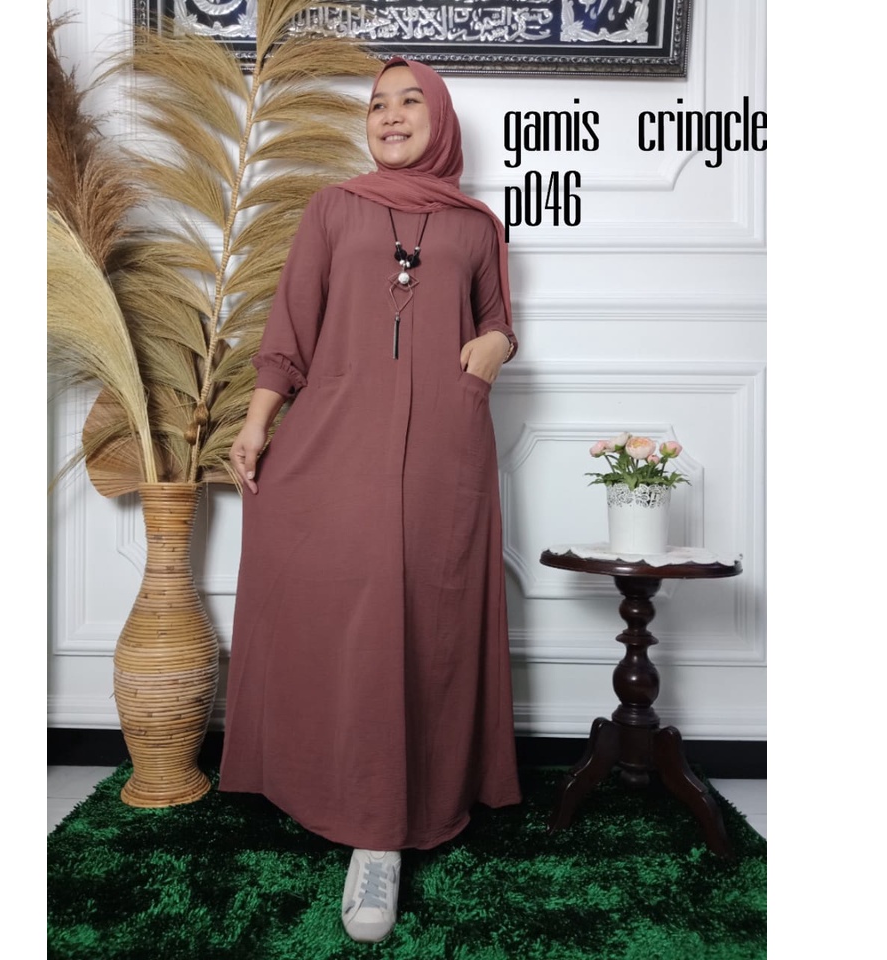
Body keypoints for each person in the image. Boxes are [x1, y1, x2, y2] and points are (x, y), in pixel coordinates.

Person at [220, 56, 522, 943]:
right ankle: (346, 804)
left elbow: (498, 318)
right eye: (378, 104)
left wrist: (494, 349)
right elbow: (290, 327)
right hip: (338, 439)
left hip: (442, 447)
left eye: (409, 102)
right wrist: (256, 424)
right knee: (343, 614)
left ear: (441, 118)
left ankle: (388, 831)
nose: (390, 115)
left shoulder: (477, 225)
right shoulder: (332, 208)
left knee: (422, 620)